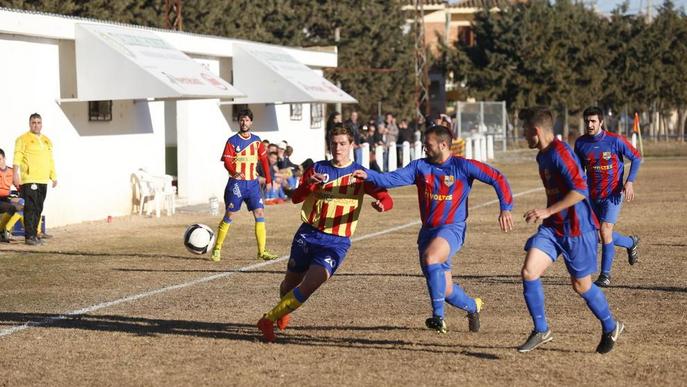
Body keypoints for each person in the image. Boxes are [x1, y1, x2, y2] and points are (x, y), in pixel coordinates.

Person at [353, 125, 514, 334]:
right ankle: (474, 306)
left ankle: (438, 318)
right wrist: (367, 174)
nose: (424, 150)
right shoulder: (420, 167)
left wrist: (506, 208)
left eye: (428, 145)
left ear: (444, 144)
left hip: (452, 229)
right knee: (444, 289)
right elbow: (391, 179)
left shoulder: (463, 166)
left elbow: (497, 177)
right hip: (428, 231)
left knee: (431, 258)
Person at [257, 125, 394, 342]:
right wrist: (308, 185)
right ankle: (284, 310)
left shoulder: (360, 174)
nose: (338, 148)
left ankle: (268, 319)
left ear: (352, 145)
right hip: (308, 234)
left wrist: (381, 205)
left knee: (311, 284)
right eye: (334, 144)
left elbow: (387, 199)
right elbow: (296, 198)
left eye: (342, 144)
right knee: (289, 285)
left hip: (336, 242)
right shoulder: (318, 169)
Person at [517, 107, 623, 354]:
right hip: (554, 229)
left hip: (578, 230)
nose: (523, 136)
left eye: (524, 131)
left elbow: (580, 189)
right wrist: (550, 216)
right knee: (529, 271)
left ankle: (610, 325)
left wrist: (547, 211)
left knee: (581, 285)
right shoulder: (542, 155)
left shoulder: (560, 153)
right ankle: (542, 329)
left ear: (536, 131)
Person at [574, 106, 641, 287]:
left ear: (601, 122)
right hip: (592, 195)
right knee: (597, 235)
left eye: (593, 121)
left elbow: (636, 157)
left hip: (612, 194)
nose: (589, 124)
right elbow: (580, 170)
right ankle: (630, 242)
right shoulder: (580, 143)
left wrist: (630, 182)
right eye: (587, 121)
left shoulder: (615, 140)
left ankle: (605, 275)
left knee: (605, 231)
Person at [211, 108, 279, 262]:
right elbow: (227, 161)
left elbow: (264, 161)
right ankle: (217, 248)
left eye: (247, 120)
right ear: (239, 121)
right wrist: (234, 171)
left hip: (253, 184)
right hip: (236, 184)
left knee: (260, 214)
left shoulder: (257, 141)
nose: (244, 122)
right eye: (242, 119)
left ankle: (262, 252)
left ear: (251, 122)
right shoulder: (232, 141)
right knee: (230, 215)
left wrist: (268, 180)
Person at [13, 113, 57, 246]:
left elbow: (50, 159)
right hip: (30, 179)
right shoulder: (22, 139)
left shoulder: (47, 140)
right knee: (30, 208)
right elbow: (17, 157)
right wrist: (15, 174)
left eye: (38, 122)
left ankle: (35, 234)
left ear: (42, 124)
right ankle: (29, 236)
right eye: (33, 122)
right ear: (29, 124)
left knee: (38, 207)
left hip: (43, 179)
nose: (36, 125)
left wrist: (53, 176)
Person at [0, 149, 24, 242]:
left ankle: (32, 233)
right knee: (11, 208)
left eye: (0, 159)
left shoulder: (11, 171)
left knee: (23, 206)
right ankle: (2, 232)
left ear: (4, 158)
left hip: (6, 199)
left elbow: (19, 186)